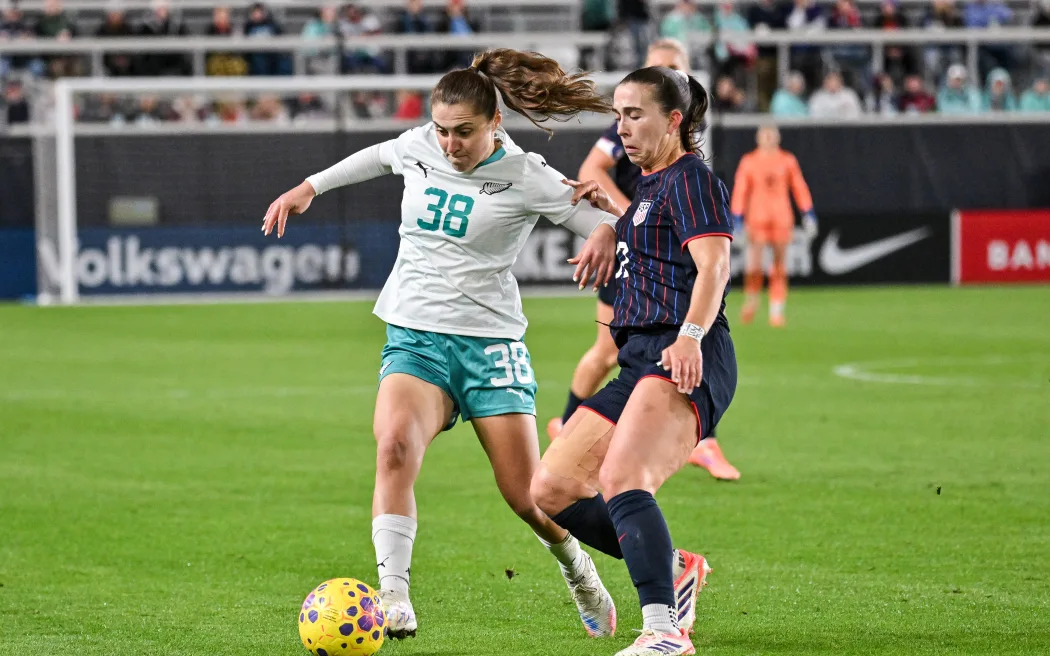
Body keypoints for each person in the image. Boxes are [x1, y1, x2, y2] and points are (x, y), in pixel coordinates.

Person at [262, 49, 621, 641]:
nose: (450, 144)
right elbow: (378, 157)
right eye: (443, 130)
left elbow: (599, 224)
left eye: (464, 132)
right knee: (394, 447)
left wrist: (608, 226)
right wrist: (310, 187)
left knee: (529, 496)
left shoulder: (527, 174)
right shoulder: (419, 145)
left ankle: (576, 567)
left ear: (494, 124)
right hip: (416, 334)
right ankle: (394, 597)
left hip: (489, 345)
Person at [531, 65, 736, 656]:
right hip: (639, 359)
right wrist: (608, 229)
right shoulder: (649, 184)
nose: (620, 126)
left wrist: (692, 335)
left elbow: (714, 266)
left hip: (684, 353)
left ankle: (665, 633)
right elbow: (650, 238)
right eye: (617, 114)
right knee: (552, 488)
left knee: (623, 479)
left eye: (634, 113)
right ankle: (674, 567)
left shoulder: (692, 177)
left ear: (674, 120)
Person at [547, 38, 740, 482]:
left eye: (677, 67)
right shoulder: (636, 120)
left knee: (673, 352)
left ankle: (697, 439)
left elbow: (711, 261)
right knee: (607, 351)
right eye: (662, 66)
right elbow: (592, 168)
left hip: (662, 251)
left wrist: (623, 221)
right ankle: (570, 423)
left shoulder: (686, 156)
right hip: (642, 248)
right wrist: (620, 220)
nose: (623, 126)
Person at [732, 125, 816, 327]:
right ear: (758, 138)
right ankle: (751, 301)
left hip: (781, 218)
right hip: (757, 219)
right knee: (754, 266)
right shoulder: (749, 161)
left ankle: (776, 310)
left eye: (772, 136)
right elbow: (741, 190)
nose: (768, 139)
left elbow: (799, 186)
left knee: (779, 265)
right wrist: (737, 219)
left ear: (778, 138)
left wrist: (808, 213)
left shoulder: (787, 160)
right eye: (765, 136)